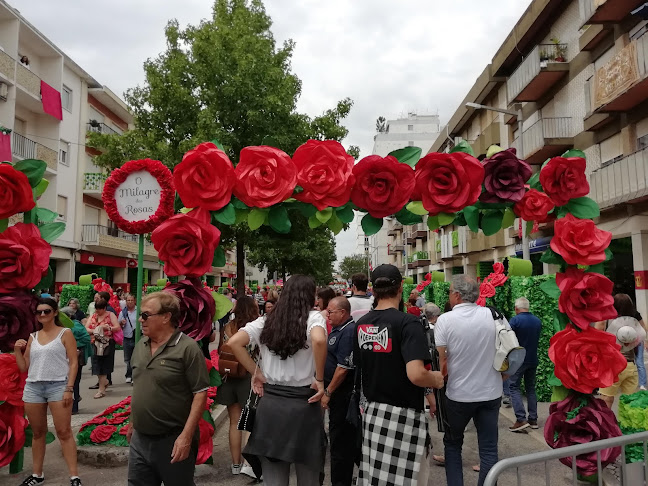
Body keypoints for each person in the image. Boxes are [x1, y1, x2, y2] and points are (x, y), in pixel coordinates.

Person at [228, 275, 328, 486]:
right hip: (304, 404)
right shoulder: (314, 318)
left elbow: (235, 342)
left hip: (271, 404)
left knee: (274, 478)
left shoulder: (266, 320)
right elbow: (319, 339)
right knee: (308, 475)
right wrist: (320, 379)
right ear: (310, 296)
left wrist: (255, 372)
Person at [355, 264, 444, 486]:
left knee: (376, 478)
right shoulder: (408, 323)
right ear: (401, 287)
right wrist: (435, 378)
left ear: (373, 290)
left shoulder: (362, 324)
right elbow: (416, 374)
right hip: (404, 416)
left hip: (373, 415)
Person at [127, 292, 210, 486]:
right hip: (140, 439)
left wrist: (186, 436)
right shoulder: (141, 345)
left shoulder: (187, 348)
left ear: (166, 317)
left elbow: (200, 393)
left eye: (146, 315)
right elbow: (141, 385)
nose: (141, 319)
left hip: (173, 439)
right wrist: (133, 421)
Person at [435, 275, 503, 486]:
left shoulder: (445, 320)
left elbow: (441, 362)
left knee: (453, 445)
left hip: (458, 394)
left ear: (456, 295)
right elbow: (510, 350)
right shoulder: (494, 315)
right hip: (491, 392)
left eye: (449, 292)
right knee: (489, 449)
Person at [14, 298, 83, 486]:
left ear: (54, 313)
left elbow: (74, 362)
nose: (42, 315)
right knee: (38, 433)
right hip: (34, 387)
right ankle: (37, 475)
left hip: (58, 386)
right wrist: (16, 351)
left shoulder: (65, 333)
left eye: (46, 311)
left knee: (64, 431)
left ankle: (74, 476)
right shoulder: (33, 336)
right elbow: (23, 368)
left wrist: (69, 388)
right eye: (39, 312)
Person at [216, 296, 259, 479]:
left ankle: (235, 463)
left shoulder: (227, 327)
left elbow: (220, 349)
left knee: (234, 422)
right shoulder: (253, 327)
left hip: (228, 376)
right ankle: (249, 464)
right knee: (250, 423)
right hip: (248, 377)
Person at [321, 297, 356, 486]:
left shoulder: (348, 332)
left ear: (342, 312)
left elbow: (343, 368)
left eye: (331, 311)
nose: (327, 314)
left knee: (340, 444)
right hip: (336, 395)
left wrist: (328, 392)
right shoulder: (338, 329)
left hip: (342, 396)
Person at [596, 293, 647, 409]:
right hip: (630, 365)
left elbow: (597, 333)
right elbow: (643, 331)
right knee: (630, 402)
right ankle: (627, 425)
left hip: (611, 366)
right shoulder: (634, 319)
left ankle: (606, 425)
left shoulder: (607, 318)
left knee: (606, 399)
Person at [508, 297, 542, 432]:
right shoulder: (537, 321)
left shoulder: (515, 320)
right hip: (532, 358)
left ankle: (521, 419)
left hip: (518, 359)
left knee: (514, 387)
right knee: (531, 388)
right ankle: (533, 419)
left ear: (516, 308)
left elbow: (508, 338)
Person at [60, 307, 93, 415]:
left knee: (74, 381)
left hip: (76, 357)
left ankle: (74, 406)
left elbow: (86, 338)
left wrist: (72, 344)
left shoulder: (75, 325)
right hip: (67, 357)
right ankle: (74, 401)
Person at [85, 299, 120, 399]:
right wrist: (95, 330)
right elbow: (86, 328)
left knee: (104, 365)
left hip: (107, 343)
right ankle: (104, 382)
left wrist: (107, 328)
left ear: (104, 308)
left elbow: (117, 327)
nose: (97, 311)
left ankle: (101, 390)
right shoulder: (93, 316)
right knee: (96, 365)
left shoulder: (110, 315)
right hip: (95, 343)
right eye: (96, 309)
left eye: (100, 309)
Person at [118, 294, 137, 384]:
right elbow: (118, 326)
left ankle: (134, 376)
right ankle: (129, 375)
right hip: (127, 337)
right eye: (128, 300)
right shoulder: (123, 312)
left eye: (131, 300)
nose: (130, 302)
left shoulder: (139, 311)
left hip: (137, 337)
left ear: (135, 301)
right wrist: (121, 323)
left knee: (136, 357)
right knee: (128, 358)